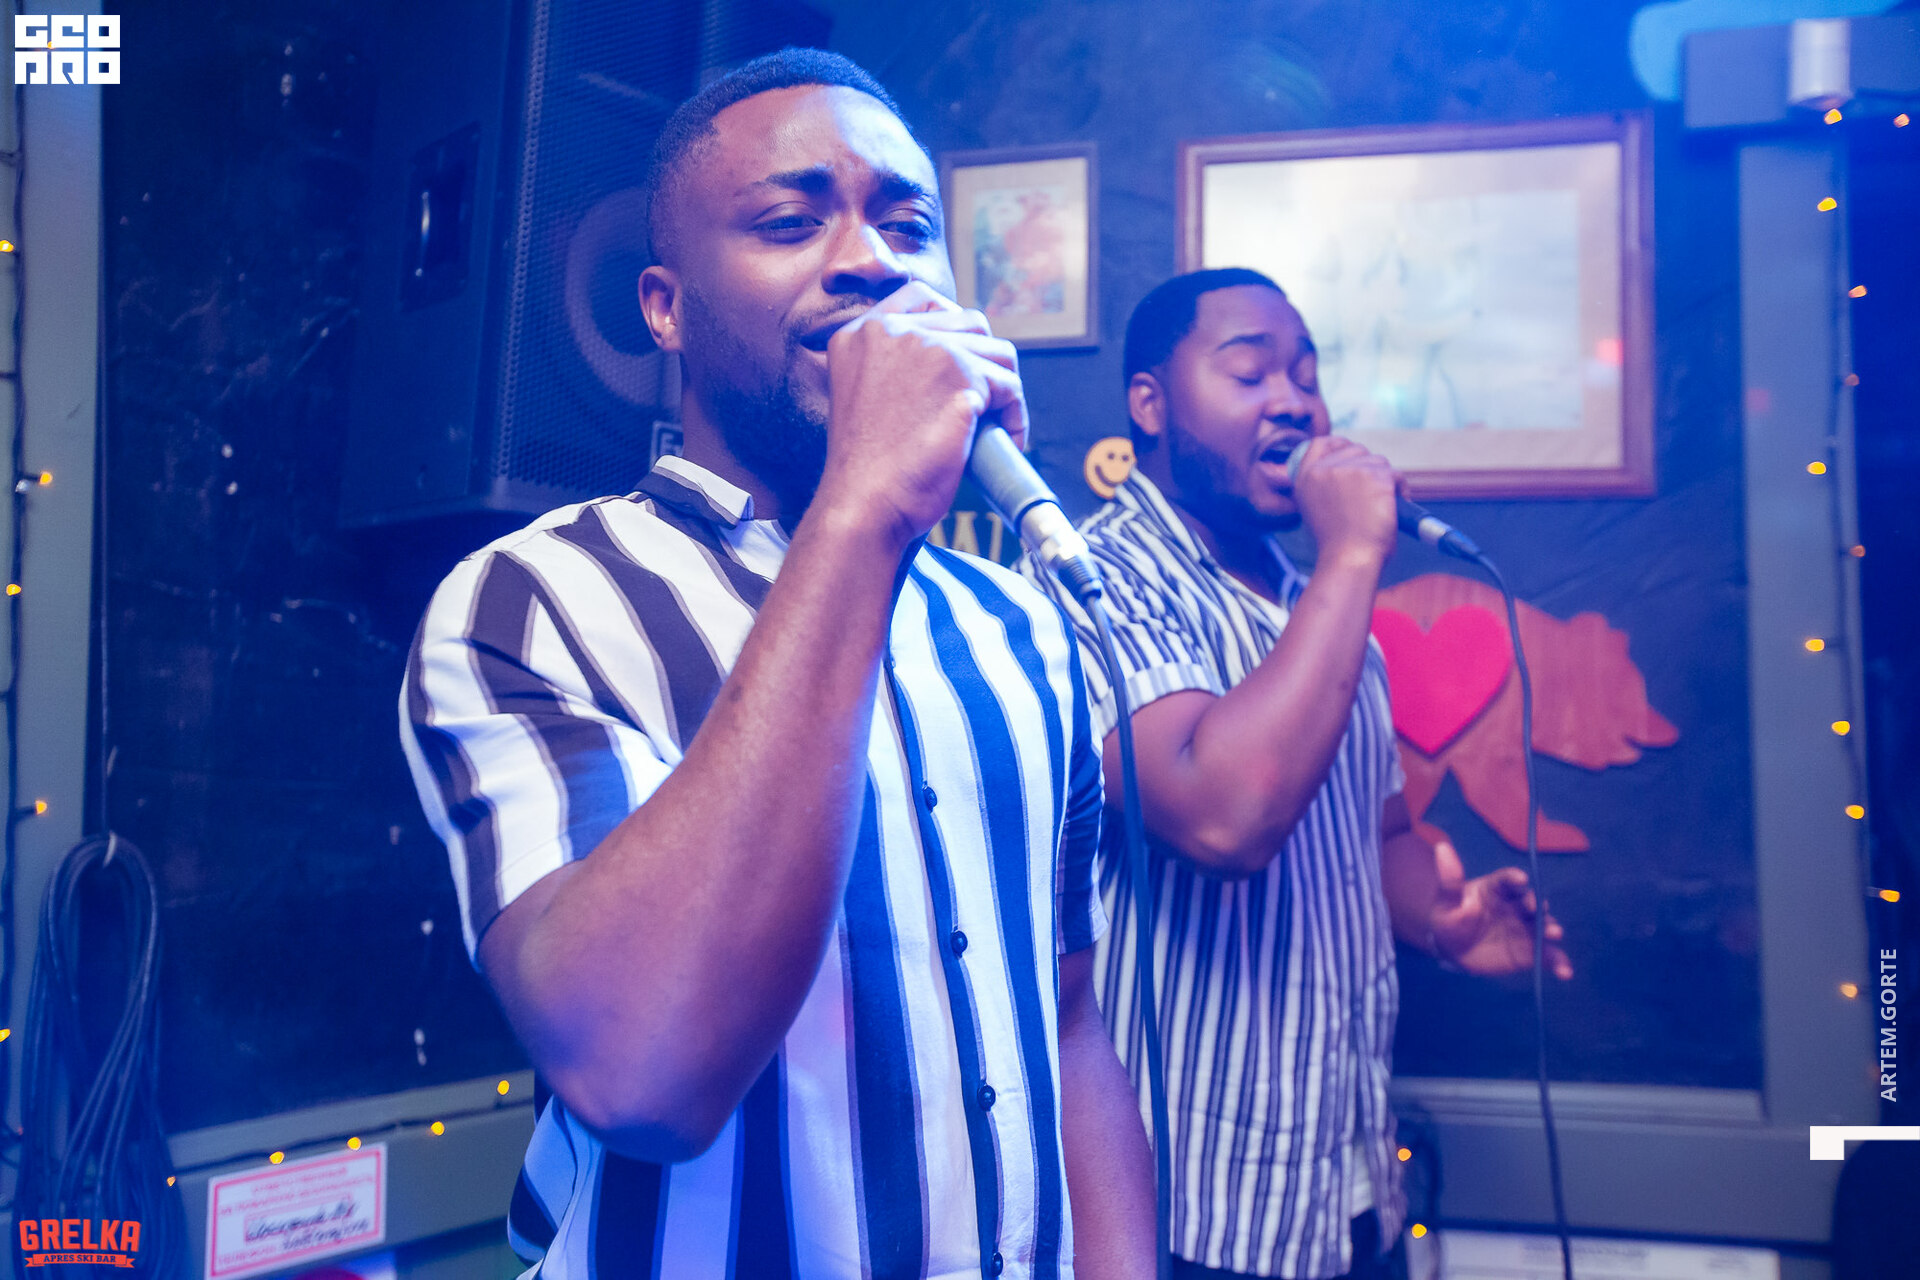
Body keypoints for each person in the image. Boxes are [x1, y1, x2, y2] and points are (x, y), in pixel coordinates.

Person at [401, 50, 1154, 1280]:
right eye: (791, 223)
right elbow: (642, 1072)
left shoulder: (1021, 628)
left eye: (907, 224)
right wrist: (862, 506)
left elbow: (1069, 1024)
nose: (872, 261)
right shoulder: (533, 604)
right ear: (665, 308)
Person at [1022, 269, 1572, 1280]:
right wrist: (1354, 556)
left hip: (1351, 1185)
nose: (1295, 402)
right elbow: (1222, 816)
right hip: (1188, 1210)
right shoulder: (1091, 582)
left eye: (1309, 378)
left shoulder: (1320, 610)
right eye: (1251, 372)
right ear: (1149, 403)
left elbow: (1380, 833)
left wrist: (1441, 921)